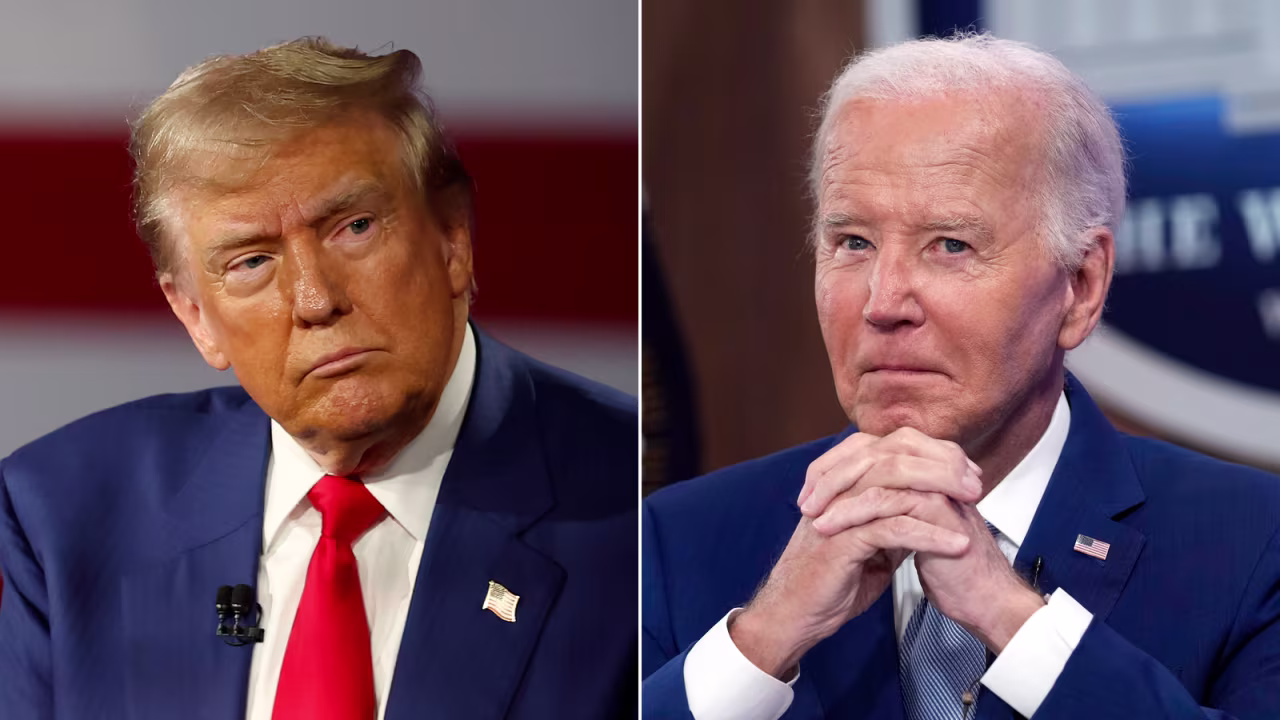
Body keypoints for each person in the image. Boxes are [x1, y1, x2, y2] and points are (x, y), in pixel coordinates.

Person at [642, 33, 1280, 719]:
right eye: (853, 242)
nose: (883, 304)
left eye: (950, 245)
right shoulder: (678, 542)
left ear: (1082, 285)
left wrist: (1015, 622)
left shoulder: (1254, 543)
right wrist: (762, 642)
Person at [0, 38, 636, 720]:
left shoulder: (633, 496)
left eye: (354, 227)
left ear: (453, 237)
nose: (314, 299)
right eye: (250, 262)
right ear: (195, 317)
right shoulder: (67, 515)